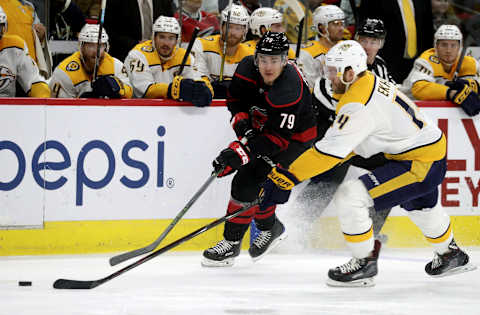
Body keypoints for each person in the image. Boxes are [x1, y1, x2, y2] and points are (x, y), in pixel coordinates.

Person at [260, 40, 476, 287]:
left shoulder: (357, 103)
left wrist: (284, 177)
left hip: (419, 161)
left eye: (334, 71)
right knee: (420, 206)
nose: (329, 77)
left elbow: (329, 152)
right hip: (424, 152)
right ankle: (452, 255)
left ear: (351, 72)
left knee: (351, 196)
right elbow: (349, 147)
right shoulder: (366, 81)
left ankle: (364, 263)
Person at [202, 32, 317, 267]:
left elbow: (278, 140)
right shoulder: (246, 68)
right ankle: (264, 230)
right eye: (263, 59)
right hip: (265, 131)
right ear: (256, 59)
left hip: (296, 141)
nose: (268, 66)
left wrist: (240, 154)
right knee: (246, 182)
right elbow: (236, 103)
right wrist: (245, 133)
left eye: (275, 60)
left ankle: (242, 238)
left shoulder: (289, 88)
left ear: (286, 60)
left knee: (255, 177)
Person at [300, 18, 396, 243]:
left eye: (374, 41)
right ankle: (295, 227)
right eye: (364, 39)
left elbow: (389, 100)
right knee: (330, 176)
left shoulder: (380, 67)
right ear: (356, 40)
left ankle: (371, 229)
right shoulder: (340, 58)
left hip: (360, 140)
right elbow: (327, 95)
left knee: (393, 170)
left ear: (380, 44)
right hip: (332, 136)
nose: (368, 46)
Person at [124, 16, 212, 106]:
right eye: (162, 37)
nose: (166, 43)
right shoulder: (138, 55)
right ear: (154, 37)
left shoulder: (186, 57)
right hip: (141, 111)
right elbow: (144, 90)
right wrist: (174, 89)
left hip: (174, 112)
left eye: (171, 38)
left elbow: (198, 81)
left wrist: (204, 89)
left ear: (177, 40)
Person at [402, 24, 480, 116]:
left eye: (453, 45)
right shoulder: (425, 61)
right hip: (409, 109)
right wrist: (451, 93)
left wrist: (469, 85)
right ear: (436, 46)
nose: (448, 50)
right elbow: (419, 89)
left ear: (460, 47)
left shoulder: (470, 62)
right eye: (444, 45)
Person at [358, 0, 435, 83]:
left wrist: (427, 59)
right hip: (386, 63)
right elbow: (365, 32)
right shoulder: (373, 2)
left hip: (417, 64)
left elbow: (428, 31)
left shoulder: (423, 2)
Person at [49, 24, 133, 98]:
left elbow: (129, 93)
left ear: (106, 47)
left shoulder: (116, 66)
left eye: (101, 45)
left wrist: (118, 87)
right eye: (90, 46)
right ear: (81, 47)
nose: (96, 51)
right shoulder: (64, 73)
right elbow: (59, 109)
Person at [192, 4, 254, 99]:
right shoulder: (201, 45)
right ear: (221, 27)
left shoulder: (252, 54)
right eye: (229, 27)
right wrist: (208, 90)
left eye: (238, 28)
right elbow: (197, 75)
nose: (233, 32)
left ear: (245, 31)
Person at [0, 5, 49, 98]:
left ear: (4, 27)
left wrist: (43, 98)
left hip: (7, 107)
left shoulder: (14, 46)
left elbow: (34, 81)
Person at [104, 0, 175, 61]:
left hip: (160, 56)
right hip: (126, 55)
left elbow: (171, 29)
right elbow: (109, 31)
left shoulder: (165, 1)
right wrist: (137, 44)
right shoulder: (115, 2)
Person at [298, 5, 346, 87]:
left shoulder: (346, 46)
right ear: (322, 27)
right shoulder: (308, 54)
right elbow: (311, 89)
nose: (341, 28)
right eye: (336, 24)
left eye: (342, 23)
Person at [2, 0, 50, 78]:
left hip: (29, 68)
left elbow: (38, 37)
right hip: (6, 68)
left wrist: (40, 34)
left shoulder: (28, 6)